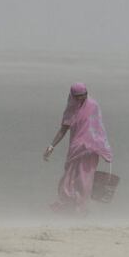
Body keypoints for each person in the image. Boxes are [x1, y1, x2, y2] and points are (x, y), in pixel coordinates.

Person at [43, 83, 112, 216]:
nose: (81, 99)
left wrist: (105, 150)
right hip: (75, 149)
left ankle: (81, 210)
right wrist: (51, 146)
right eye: (78, 97)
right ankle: (69, 208)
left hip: (90, 149)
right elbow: (63, 129)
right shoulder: (71, 109)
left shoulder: (93, 106)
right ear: (72, 97)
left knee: (84, 182)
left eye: (83, 96)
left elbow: (99, 129)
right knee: (67, 181)